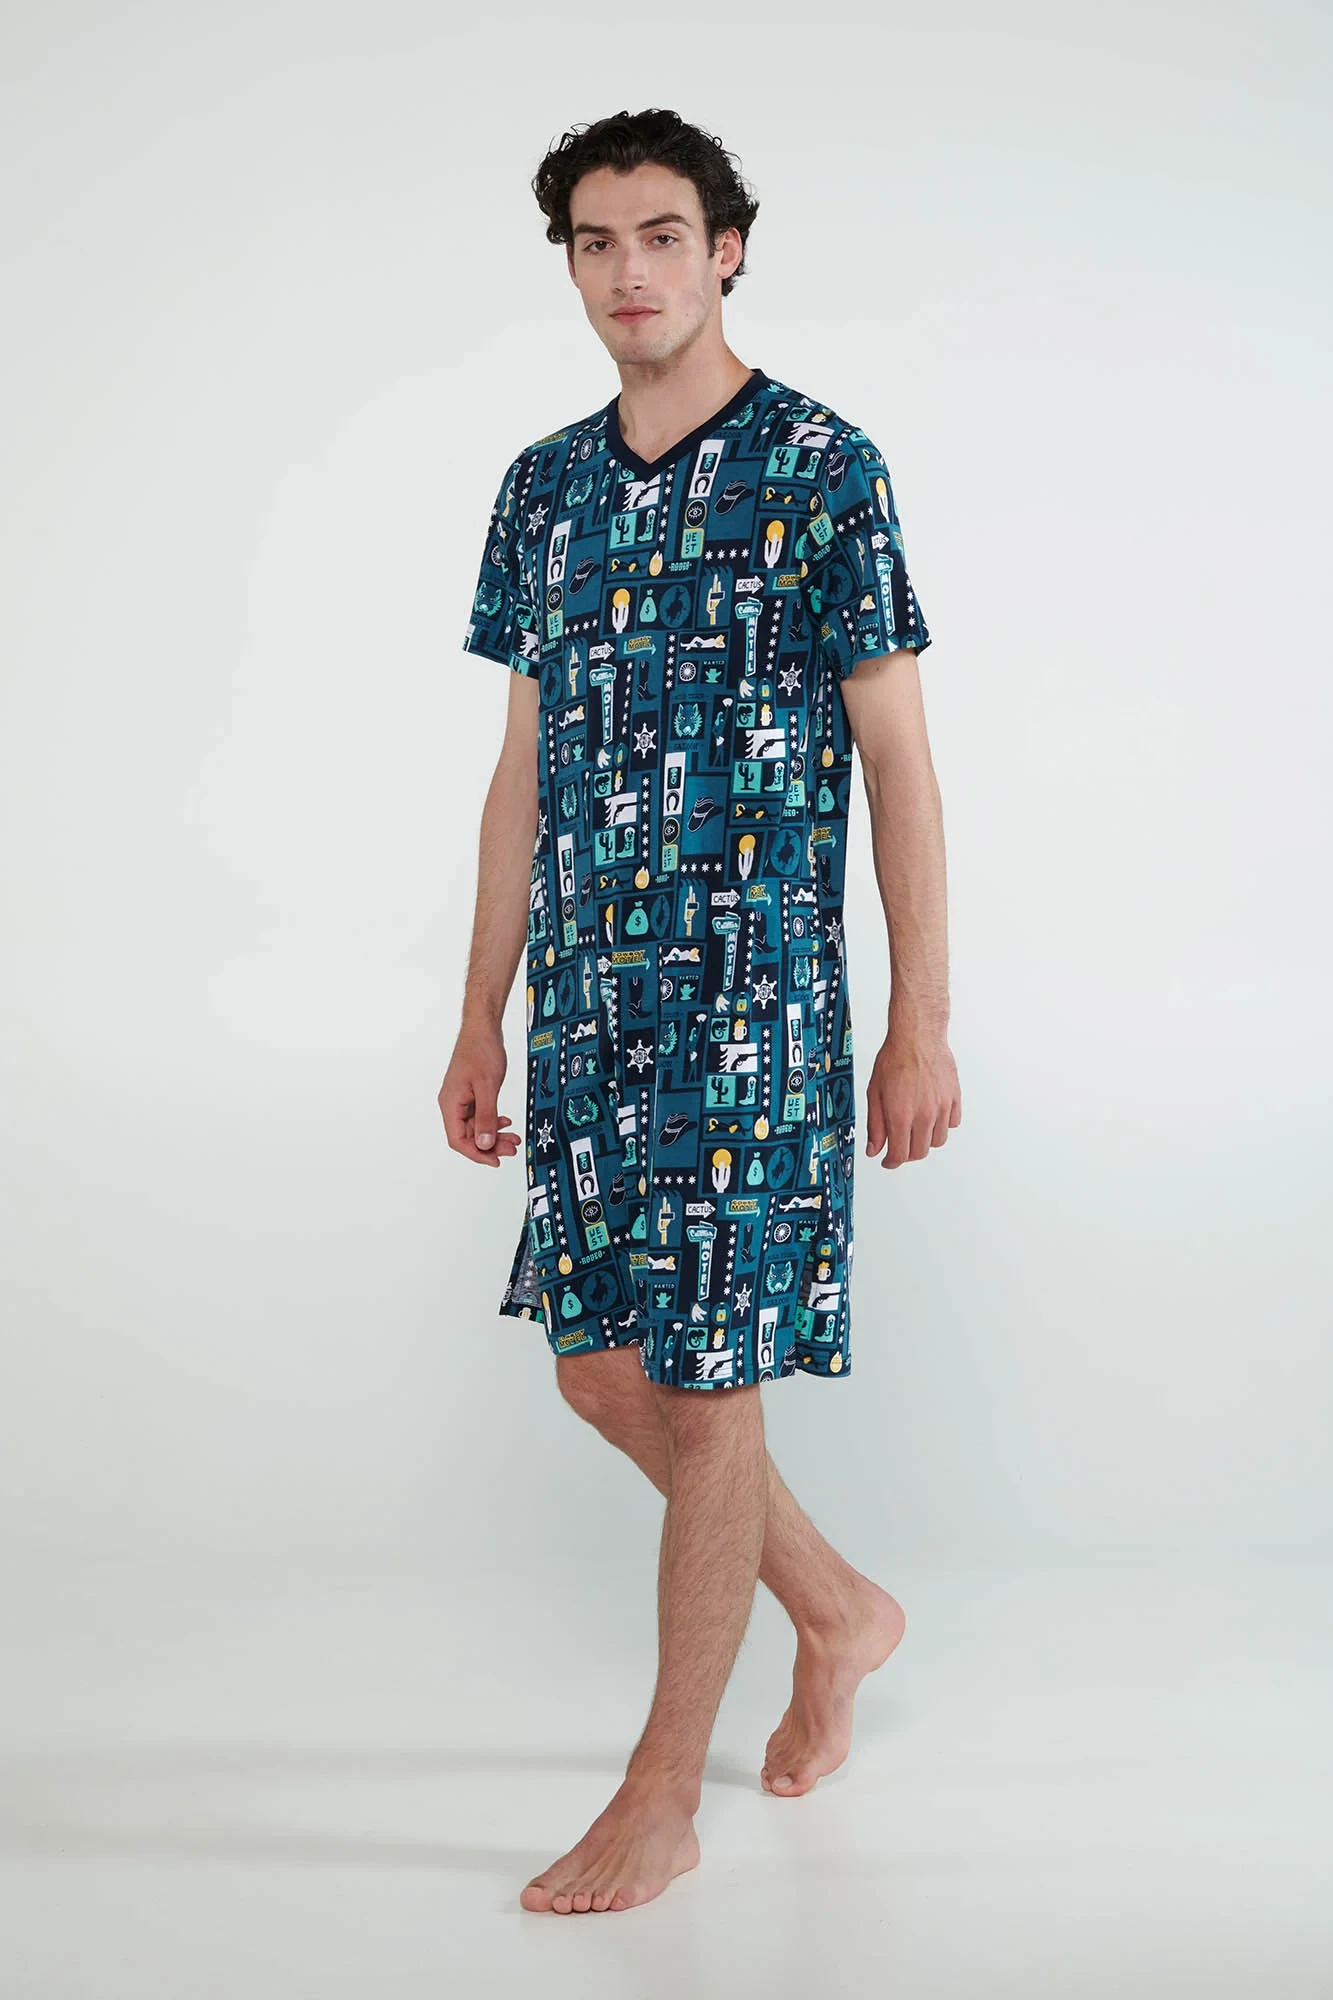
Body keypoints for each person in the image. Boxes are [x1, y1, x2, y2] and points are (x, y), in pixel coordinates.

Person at [439, 107, 960, 1916]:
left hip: (758, 1011)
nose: (630, 271)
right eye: (596, 241)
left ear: (727, 248)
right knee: (600, 1370)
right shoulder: (543, 489)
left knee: (706, 1385)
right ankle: (839, 1609)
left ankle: (663, 1790)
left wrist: (920, 1020)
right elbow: (520, 772)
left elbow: (898, 762)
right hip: (589, 1016)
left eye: (663, 234)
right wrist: (480, 1010)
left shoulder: (824, 467)